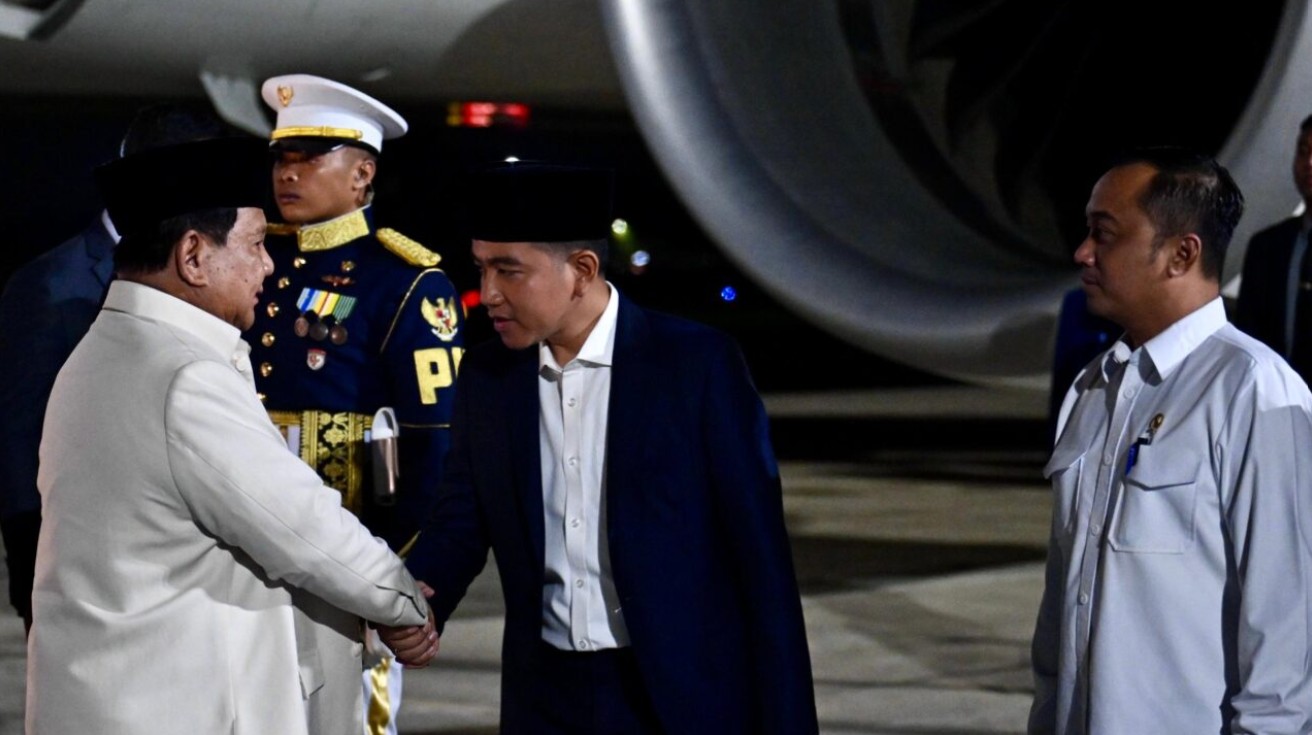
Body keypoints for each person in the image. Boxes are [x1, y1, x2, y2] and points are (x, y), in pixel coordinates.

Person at [25, 137, 438, 735]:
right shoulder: (184, 376)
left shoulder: (102, 352)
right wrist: (401, 600)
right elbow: (302, 527)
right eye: (254, 244)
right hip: (181, 708)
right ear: (194, 256)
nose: (268, 265)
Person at [395, 163, 818, 734]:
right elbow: (461, 517)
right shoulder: (487, 376)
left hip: (679, 700)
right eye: (481, 268)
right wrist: (421, 599)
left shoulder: (696, 367)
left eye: (508, 270)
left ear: (582, 270)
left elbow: (761, 561)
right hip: (546, 698)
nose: (488, 293)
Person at [1029, 147, 1312, 734]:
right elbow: (1060, 615)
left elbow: (1288, 635)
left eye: (1104, 234)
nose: (1082, 252)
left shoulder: (1253, 391)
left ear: (1182, 254)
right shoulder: (1092, 389)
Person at [246, 73, 465, 735]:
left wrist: (389, 571)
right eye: (282, 158)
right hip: (247, 545)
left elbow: (434, 443)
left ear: (363, 174)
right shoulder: (254, 260)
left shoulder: (402, 280)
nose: (289, 173)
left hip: (349, 546)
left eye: (310, 158)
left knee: (351, 720)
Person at [0, 103, 231, 632]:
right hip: (77, 547)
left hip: (176, 547)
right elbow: (18, 429)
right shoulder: (51, 285)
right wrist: (29, 551)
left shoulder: (207, 267)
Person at [1235, 113, 1312, 380]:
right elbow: (1248, 337)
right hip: (1273, 394)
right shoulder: (1267, 246)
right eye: (1303, 151)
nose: (1309, 163)